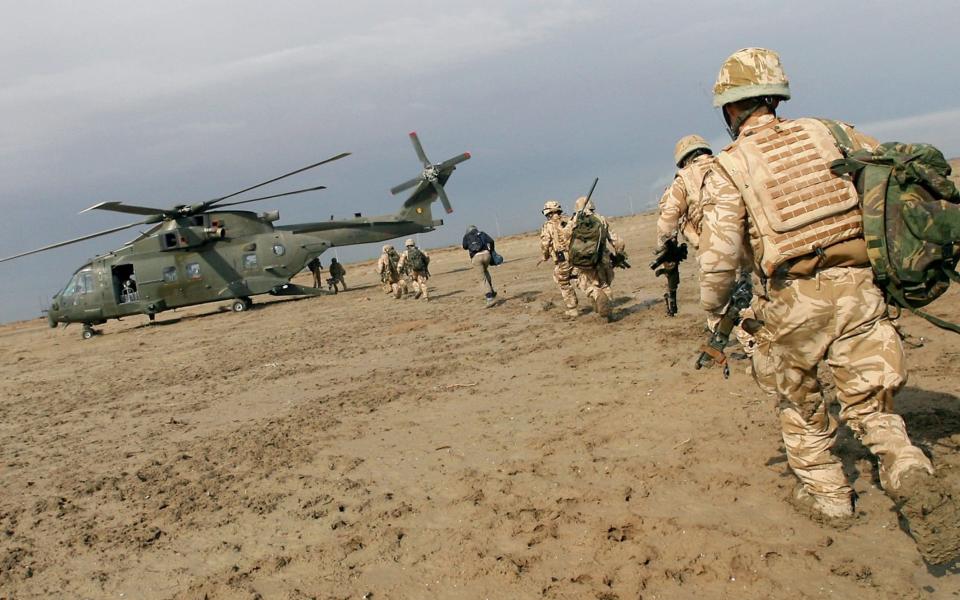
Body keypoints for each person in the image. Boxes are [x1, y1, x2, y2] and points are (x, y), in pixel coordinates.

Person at [698, 47, 958, 561]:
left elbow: (720, 260)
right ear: (776, 95)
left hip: (793, 301)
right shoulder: (835, 133)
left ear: (731, 110)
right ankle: (906, 466)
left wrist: (714, 315)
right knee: (871, 404)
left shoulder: (728, 168)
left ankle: (830, 496)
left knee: (800, 404)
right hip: (862, 287)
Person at [655, 134, 715, 316]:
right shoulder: (728, 164)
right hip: (745, 241)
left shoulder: (683, 179)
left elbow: (666, 223)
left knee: (717, 306)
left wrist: (665, 249)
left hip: (711, 247)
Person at [565, 196, 620, 322]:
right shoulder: (600, 219)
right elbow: (616, 240)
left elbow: (564, 240)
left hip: (583, 261)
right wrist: (619, 253)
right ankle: (609, 312)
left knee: (585, 284)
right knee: (604, 284)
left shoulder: (573, 221)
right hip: (602, 259)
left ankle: (595, 293)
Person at [539, 200, 579, 317]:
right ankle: (595, 295)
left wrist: (544, 256)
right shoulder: (570, 220)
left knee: (562, 281)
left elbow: (545, 243)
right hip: (577, 255)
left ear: (549, 213)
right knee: (579, 276)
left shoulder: (548, 226)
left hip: (563, 258)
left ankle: (572, 308)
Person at [462, 225, 497, 306]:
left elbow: (464, 247)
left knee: (482, 278)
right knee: (485, 271)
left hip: (476, 258)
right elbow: (491, 241)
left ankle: (489, 298)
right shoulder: (481, 233)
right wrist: (492, 250)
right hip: (486, 255)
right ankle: (491, 290)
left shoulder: (466, 236)